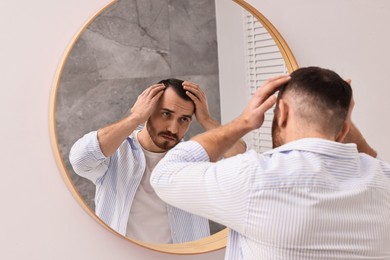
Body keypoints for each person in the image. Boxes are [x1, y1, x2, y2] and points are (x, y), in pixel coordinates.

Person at [151, 67, 390, 259]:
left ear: (282, 112)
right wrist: (341, 119)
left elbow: (164, 176)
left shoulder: (254, 176)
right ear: (345, 130)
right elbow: (374, 162)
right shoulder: (382, 180)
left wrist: (243, 122)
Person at [69, 78, 246, 244]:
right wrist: (135, 117)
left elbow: (242, 162)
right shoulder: (116, 152)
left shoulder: (194, 157)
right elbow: (80, 159)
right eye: (166, 114)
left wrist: (207, 120)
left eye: (184, 119)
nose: (173, 128)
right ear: (148, 110)